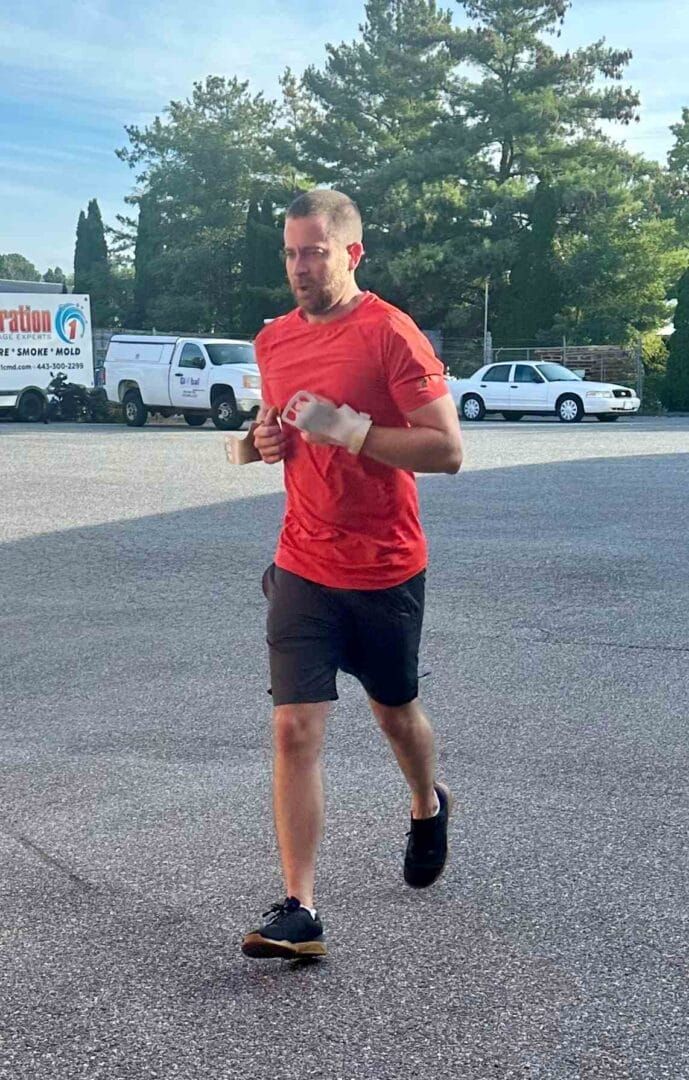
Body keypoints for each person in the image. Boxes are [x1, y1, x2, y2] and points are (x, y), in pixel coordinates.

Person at [239, 189, 463, 960]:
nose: (300, 267)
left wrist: (355, 431)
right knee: (293, 727)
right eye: (290, 253)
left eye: (315, 252)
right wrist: (262, 441)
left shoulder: (389, 333)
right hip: (302, 561)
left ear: (351, 253)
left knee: (394, 713)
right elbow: (273, 437)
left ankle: (426, 802)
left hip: (385, 567)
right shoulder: (271, 341)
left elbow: (446, 451)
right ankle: (299, 909)